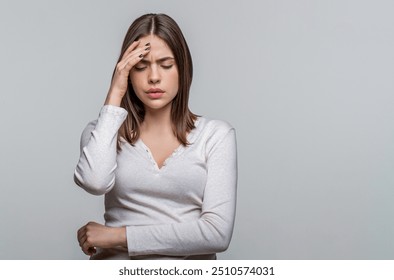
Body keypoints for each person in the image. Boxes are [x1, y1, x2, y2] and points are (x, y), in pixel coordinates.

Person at [74, 13, 237, 260]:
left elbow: (216, 234)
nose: (153, 77)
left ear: (183, 69)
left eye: (166, 64)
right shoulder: (103, 132)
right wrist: (115, 92)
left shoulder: (215, 136)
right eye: (140, 66)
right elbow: (94, 182)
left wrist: (119, 236)